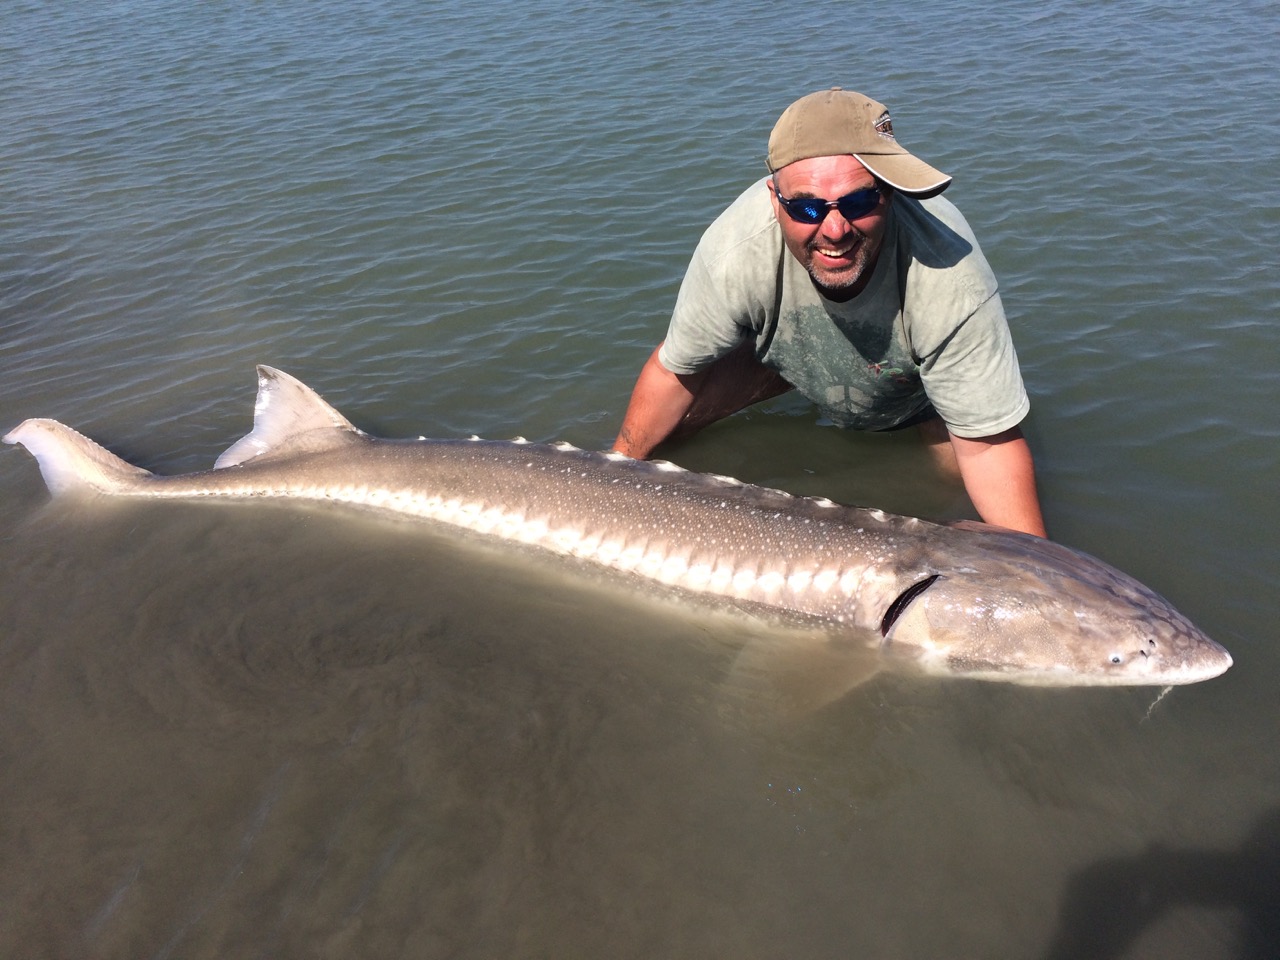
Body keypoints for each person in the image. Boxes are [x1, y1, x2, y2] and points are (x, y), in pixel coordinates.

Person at [612, 87, 1047, 538]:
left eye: (859, 202)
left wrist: (1040, 572)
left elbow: (989, 447)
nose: (835, 229)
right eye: (806, 208)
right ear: (774, 199)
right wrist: (615, 472)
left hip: (909, 384)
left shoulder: (949, 275)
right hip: (783, 355)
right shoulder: (734, 254)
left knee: (949, 479)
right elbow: (673, 371)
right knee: (670, 431)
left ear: (891, 193)